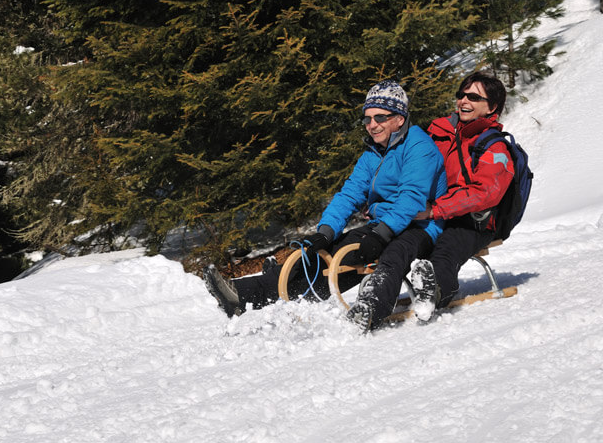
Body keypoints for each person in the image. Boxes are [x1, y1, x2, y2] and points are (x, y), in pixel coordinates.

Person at [205, 80, 447, 332]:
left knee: (392, 254)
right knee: (327, 254)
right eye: (367, 119)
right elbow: (349, 194)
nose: (372, 125)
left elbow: (411, 197)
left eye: (380, 117)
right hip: (383, 224)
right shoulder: (374, 154)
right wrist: (325, 232)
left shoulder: (419, 148)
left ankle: (371, 307)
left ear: (399, 118)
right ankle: (244, 295)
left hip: (419, 225)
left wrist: (382, 233)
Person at [408, 72, 514, 323]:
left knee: (445, 250)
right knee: (393, 239)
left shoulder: (495, 147)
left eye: (474, 97)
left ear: (492, 106)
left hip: (475, 221)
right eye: (461, 95)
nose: (463, 101)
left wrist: (435, 210)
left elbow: (485, 193)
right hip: (436, 213)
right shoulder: (439, 133)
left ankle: (436, 290)